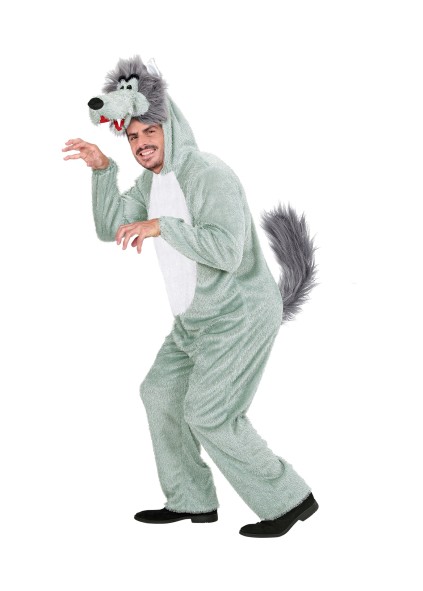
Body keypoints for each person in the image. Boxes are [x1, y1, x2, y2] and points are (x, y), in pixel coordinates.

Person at [62, 56, 319, 538]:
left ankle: (290, 499)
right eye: (132, 137)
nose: (141, 143)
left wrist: (162, 226)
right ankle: (191, 500)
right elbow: (111, 227)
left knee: (210, 414)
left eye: (149, 132)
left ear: (170, 127)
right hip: (195, 321)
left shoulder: (207, 173)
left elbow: (227, 251)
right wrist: (102, 171)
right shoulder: (151, 181)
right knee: (159, 393)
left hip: (240, 316)